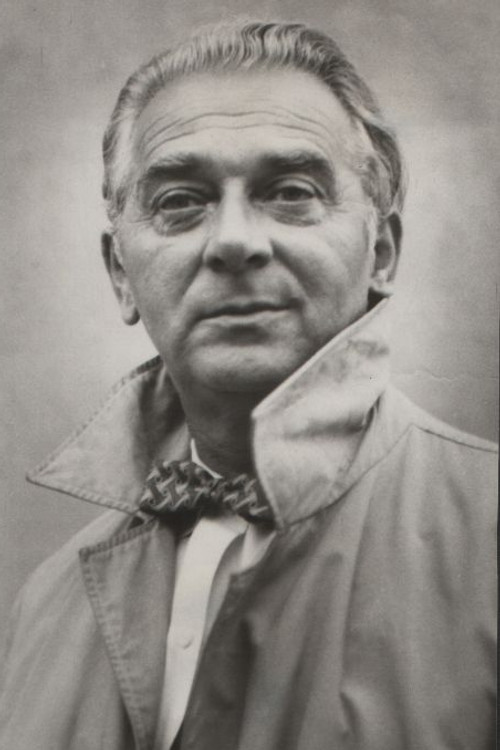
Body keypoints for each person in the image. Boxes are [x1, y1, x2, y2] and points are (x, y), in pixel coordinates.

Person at [0, 21, 496, 750]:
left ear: (382, 252)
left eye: (290, 192)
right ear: (120, 272)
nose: (233, 239)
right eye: (180, 201)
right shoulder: (47, 604)